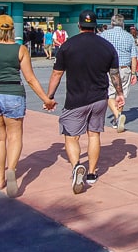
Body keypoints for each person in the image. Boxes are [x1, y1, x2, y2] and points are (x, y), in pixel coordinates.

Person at [0, 14, 56, 197]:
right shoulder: (20, 49)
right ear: (12, 30)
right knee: (14, 137)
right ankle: (11, 169)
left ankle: (0, 179)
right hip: (13, 94)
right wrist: (46, 99)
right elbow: (30, 79)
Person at [47, 10, 124, 194]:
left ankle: (76, 167)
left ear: (79, 25)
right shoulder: (107, 46)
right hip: (99, 98)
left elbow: (57, 73)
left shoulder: (68, 46)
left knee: (71, 136)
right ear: (95, 25)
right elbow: (114, 74)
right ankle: (91, 173)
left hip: (75, 99)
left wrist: (49, 97)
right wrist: (119, 93)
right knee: (94, 135)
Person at [99, 14, 138, 133]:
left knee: (109, 94)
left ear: (112, 23)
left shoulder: (104, 35)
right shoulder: (129, 37)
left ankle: (117, 116)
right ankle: (118, 117)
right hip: (125, 68)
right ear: (123, 24)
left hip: (110, 68)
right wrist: (133, 73)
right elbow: (134, 57)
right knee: (121, 94)